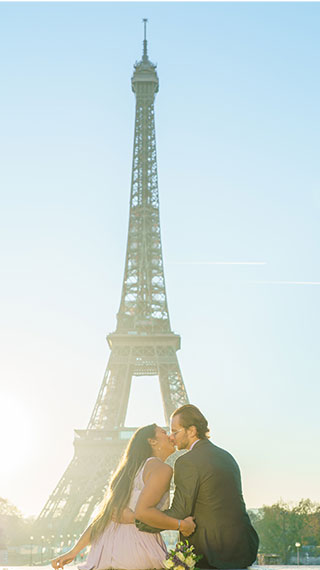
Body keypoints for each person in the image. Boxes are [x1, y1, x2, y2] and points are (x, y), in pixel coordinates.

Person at [127, 405, 259, 569]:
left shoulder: (187, 461)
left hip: (211, 552)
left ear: (191, 431)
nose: (172, 438)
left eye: (175, 432)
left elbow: (179, 512)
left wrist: (141, 520)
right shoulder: (227, 456)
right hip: (243, 548)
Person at [51, 424, 195, 570]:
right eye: (164, 432)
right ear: (152, 441)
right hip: (138, 548)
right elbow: (142, 514)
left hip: (105, 552)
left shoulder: (128, 472)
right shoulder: (161, 468)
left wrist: (74, 551)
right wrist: (182, 525)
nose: (170, 436)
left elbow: (103, 519)